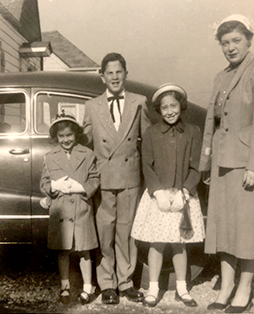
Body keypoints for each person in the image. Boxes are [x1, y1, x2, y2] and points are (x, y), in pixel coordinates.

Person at [199, 14, 254, 313]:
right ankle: (226, 285)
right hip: (222, 162)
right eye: (224, 43)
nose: (230, 48)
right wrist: (206, 162)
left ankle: (244, 288)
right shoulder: (221, 76)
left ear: (249, 40)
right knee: (223, 227)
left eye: (236, 41)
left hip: (247, 162)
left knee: (246, 228)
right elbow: (212, 121)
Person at [83, 52, 151, 305]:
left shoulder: (139, 102)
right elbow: (86, 144)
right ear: (102, 77)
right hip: (103, 178)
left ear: (126, 74)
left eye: (118, 72)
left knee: (127, 231)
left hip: (130, 177)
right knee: (105, 232)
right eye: (109, 72)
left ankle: (126, 282)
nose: (114, 77)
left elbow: (147, 143)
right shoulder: (92, 106)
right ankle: (107, 284)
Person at [131, 84, 205, 308]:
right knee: (157, 243)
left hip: (183, 196)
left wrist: (185, 191)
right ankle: (153, 288)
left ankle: (182, 288)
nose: (170, 111)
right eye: (164, 108)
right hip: (159, 197)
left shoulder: (193, 132)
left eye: (174, 105)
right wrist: (158, 192)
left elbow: (196, 167)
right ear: (158, 110)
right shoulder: (151, 133)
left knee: (180, 243)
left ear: (181, 106)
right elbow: (147, 166)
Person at [40, 111, 100, 305]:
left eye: (69, 135)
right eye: (61, 136)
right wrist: (53, 187)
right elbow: (44, 182)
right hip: (61, 209)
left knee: (84, 250)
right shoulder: (49, 157)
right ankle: (65, 285)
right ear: (56, 137)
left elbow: (94, 178)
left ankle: (87, 287)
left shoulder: (88, 154)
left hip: (81, 207)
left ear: (76, 135)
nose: (66, 140)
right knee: (63, 250)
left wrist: (82, 188)